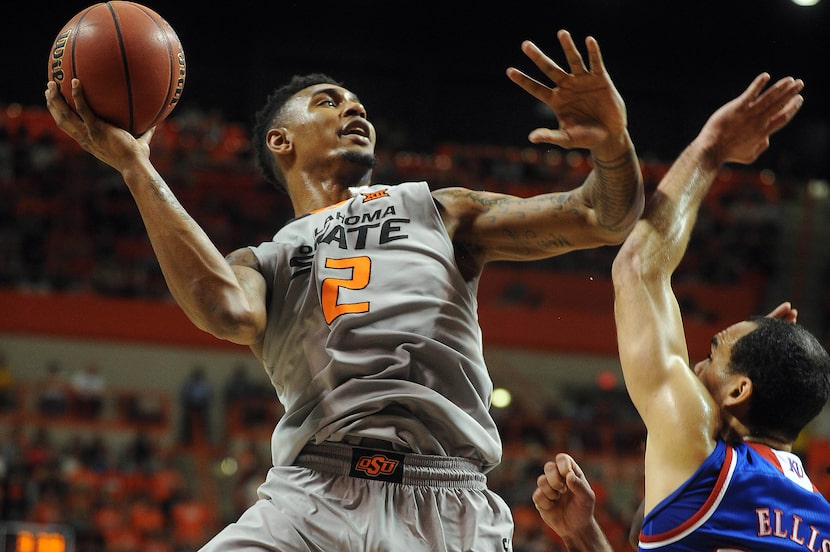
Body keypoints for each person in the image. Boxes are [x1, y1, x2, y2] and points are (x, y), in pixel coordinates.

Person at [45, 28, 644, 551]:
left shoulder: (435, 209)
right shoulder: (263, 261)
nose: (354, 110)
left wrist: (613, 145)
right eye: (328, 102)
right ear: (282, 141)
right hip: (311, 499)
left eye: (359, 104)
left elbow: (602, 218)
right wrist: (136, 166)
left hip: (447, 502)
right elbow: (222, 309)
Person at [534, 73, 830, 550]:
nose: (695, 366)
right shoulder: (820, 520)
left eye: (714, 355)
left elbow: (638, 269)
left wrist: (711, 148)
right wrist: (584, 536)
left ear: (739, 389)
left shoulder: (701, 455)